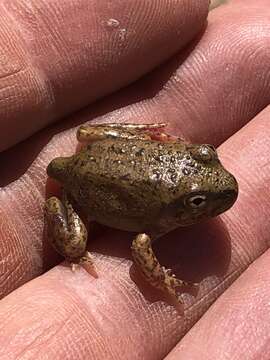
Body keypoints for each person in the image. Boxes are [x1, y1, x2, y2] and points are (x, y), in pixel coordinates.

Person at [0, 0, 269, 358]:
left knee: (88, 138)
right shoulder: (154, 227)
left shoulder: (180, 163)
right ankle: (69, 228)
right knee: (76, 244)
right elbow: (140, 247)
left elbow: (88, 135)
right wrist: (162, 279)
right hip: (77, 189)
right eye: (197, 202)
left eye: (206, 156)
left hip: (97, 151)